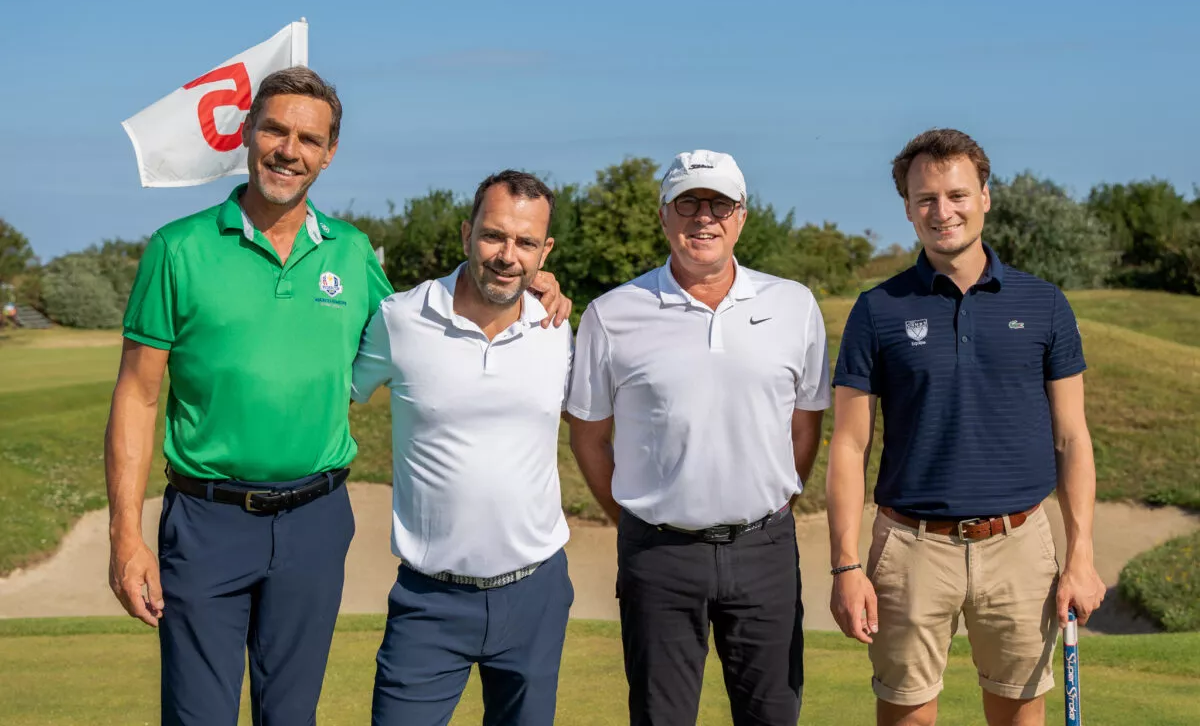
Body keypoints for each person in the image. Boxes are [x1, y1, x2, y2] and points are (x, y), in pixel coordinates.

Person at [104, 69, 570, 725]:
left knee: (292, 716)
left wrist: (534, 285)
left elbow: (436, 318)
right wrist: (126, 535)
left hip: (314, 524)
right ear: (248, 132)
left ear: (329, 153)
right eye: (275, 130)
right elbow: (137, 396)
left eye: (308, 139)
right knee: (196, 715)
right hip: (206, 520)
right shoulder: (176, 249)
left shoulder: (352, 255)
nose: (289, 150)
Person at [826, 128, 1106, 726]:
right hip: (909, 547)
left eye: (956, 195)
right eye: (925, 199)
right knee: (906, 716)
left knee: (1018, 715)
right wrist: (847, 566)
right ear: (907, 208)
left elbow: (1072, 438)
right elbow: (849, 445)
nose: (942, 211)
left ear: (985, 196)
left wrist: (1080, 555)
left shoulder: (1044, 304)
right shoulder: (877, 309)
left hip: (1020, 545)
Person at [567, 150, 830, 726]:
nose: (703, 217)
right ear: (664, 215)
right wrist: (634, 519)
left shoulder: (794, 305)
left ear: (742, 216)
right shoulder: (613, 313)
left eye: (720, 204)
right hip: (659, 556)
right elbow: (588, 437)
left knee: (773, 715)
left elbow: (805, 424)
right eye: (688, 202)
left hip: (765, 552)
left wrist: (780, 497)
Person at [352, 170, 573, 726]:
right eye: (494, 236)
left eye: (525, 243)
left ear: (544, 252)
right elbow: (333, 395)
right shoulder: (400, 319)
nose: (507, 255)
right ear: (465, 234)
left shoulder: (557, 327)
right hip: (430, 602)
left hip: (536, 596)